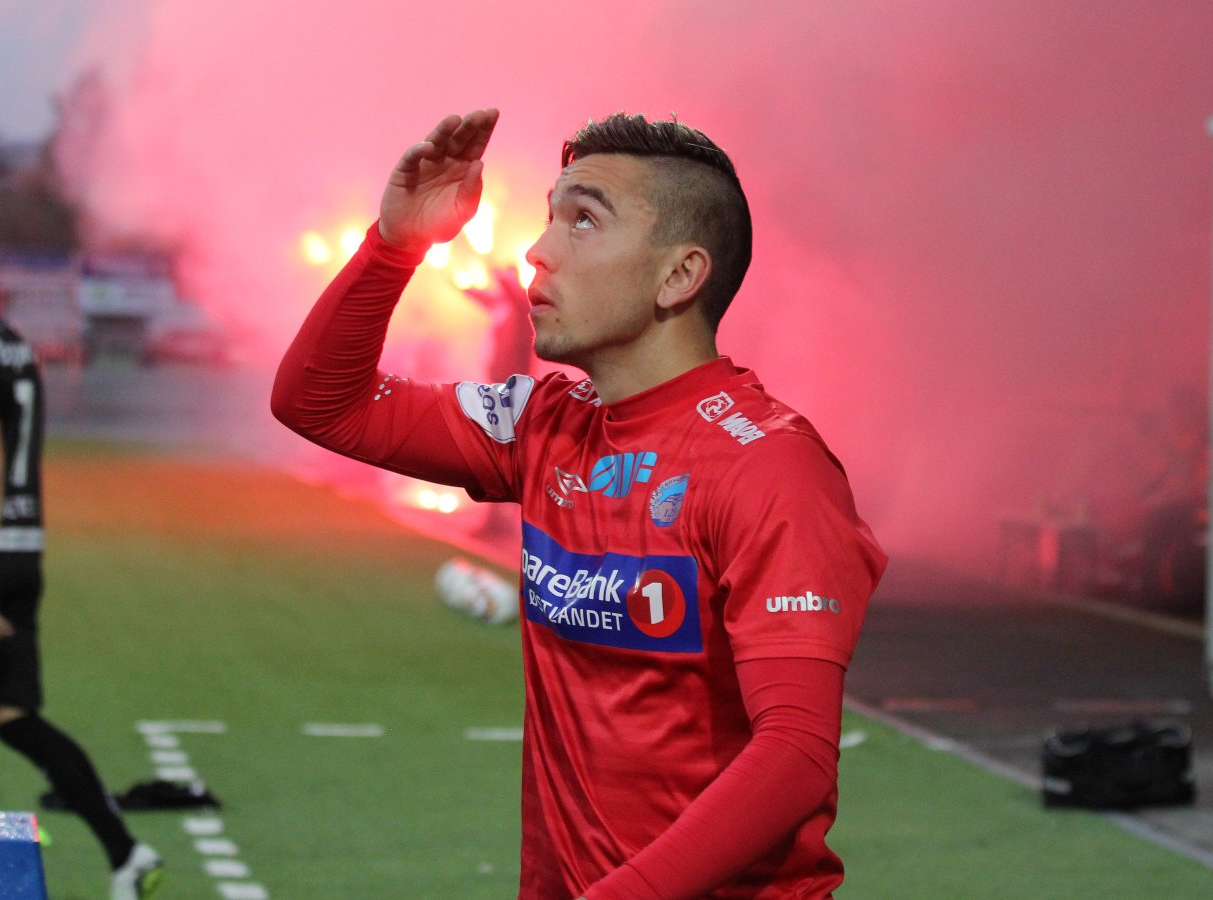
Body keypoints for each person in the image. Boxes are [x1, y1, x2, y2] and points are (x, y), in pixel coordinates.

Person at [272, 109, 887, 898]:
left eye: (585, 220)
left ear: (679, 276)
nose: (538, 250)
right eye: (550, 217)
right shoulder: (544, 426)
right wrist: (396, 246)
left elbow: (796, 755)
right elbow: (319, 403)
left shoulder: (770, 467)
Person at [0, 300, 163, 898]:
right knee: (15, 719)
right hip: (21, 550)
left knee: (16, 719)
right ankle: (125, 852)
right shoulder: (9, 341)